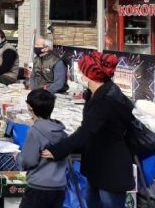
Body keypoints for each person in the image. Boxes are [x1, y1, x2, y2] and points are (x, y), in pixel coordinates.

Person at [42, 51, 134, 208]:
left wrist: (58, 150)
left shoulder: (106, 99)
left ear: (89, 73)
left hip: (110, 169)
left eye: (81, 70)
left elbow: (87, 131)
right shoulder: (95, 93)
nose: (79, 73)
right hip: (97, 165)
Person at [17, 89, 68, 208]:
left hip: (38, 186)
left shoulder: (35, 131)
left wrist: (18, 158)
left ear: (30, 108)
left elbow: (29, 161)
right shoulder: (61, 132)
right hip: (58, 186)